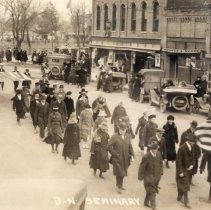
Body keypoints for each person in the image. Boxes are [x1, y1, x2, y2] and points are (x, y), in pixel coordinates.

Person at [108, 122, 135, 194]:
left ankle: (120, 184)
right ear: (119, 129)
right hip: (117, 158)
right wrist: (115, 154)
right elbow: (109, 147)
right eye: (122, 129)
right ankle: (119, 186)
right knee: (119, 172)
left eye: (125, 129)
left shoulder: (128, 136)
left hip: (125, 158)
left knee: (123, 171)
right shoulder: (114, 136)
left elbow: (130, 146)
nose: (123, 131)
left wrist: (132, 155)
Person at [138, 141, 163, 210]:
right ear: (151, 149)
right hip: (148, 178)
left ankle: (146, 202)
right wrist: (140, 178)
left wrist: (161, 172)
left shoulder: (158, 154)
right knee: (152, 192)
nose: (156, 150)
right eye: (154, 149)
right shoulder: (146, 157)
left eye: (157, 149)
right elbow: (141, 168)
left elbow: (161, 164)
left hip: (156, 177)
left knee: (150, 191)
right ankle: (154, 207)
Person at [176, 136, 195, 209]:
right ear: (189, 140)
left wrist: (192, 165)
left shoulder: (192, 147)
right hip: (182, 169)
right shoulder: (182, 148)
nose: (194, 143)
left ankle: (179, 197)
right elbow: (178, 161)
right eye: (193, 142)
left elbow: (194, 158)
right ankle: (186, 202)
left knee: (183, 184)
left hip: (189, 169)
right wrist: (180, 171)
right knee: (186, 185)